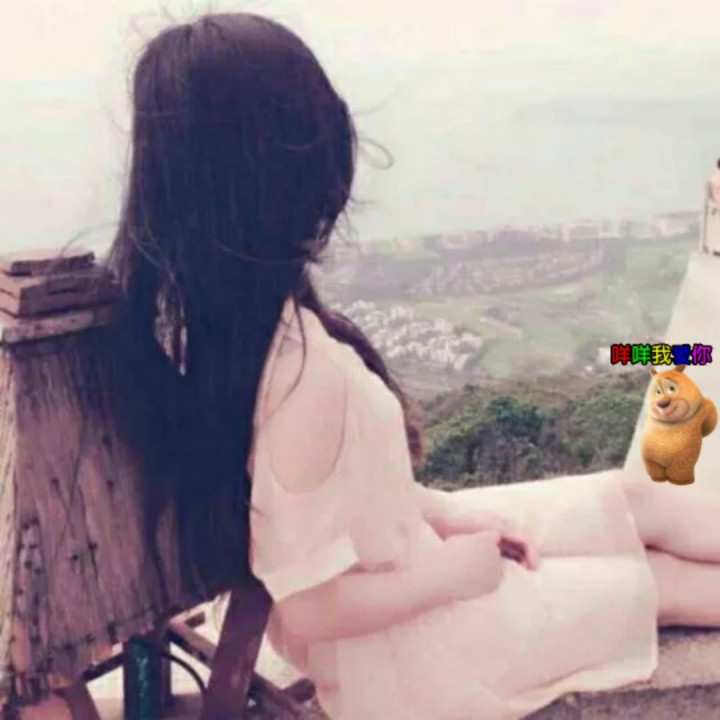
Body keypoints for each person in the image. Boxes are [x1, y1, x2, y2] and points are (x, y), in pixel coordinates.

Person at [33, 13, 720, 719]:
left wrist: (447, 515)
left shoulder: (214, 327)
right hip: (416, 650)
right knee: (658, 582)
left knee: (637, 505)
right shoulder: (302, 378)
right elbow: (307, 606)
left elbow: (340, 499)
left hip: (405, 563)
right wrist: (454, 573)